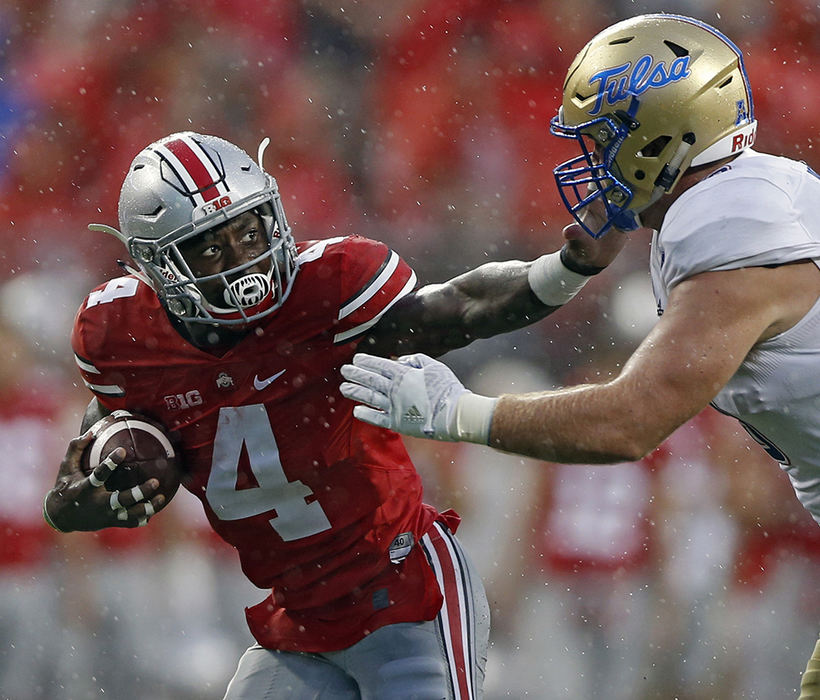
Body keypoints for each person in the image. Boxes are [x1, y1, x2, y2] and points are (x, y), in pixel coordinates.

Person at [338, 13, 820, 699]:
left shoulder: (727, 235)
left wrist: (457, 414)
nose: (592, 158)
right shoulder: (756, 188)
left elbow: (629, 421)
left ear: (663, 137)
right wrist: (570, 268)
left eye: (603, 138)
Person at [42, 130, 623, 699]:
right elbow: (104, 439)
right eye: (212, 247)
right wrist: (71, 503)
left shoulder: (325, 291)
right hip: (297, 619)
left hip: (403, 592)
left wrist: (566, 268)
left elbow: (460, 306)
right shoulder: (121, 340)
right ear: (156, 266)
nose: (244, 259)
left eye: (248, 231)